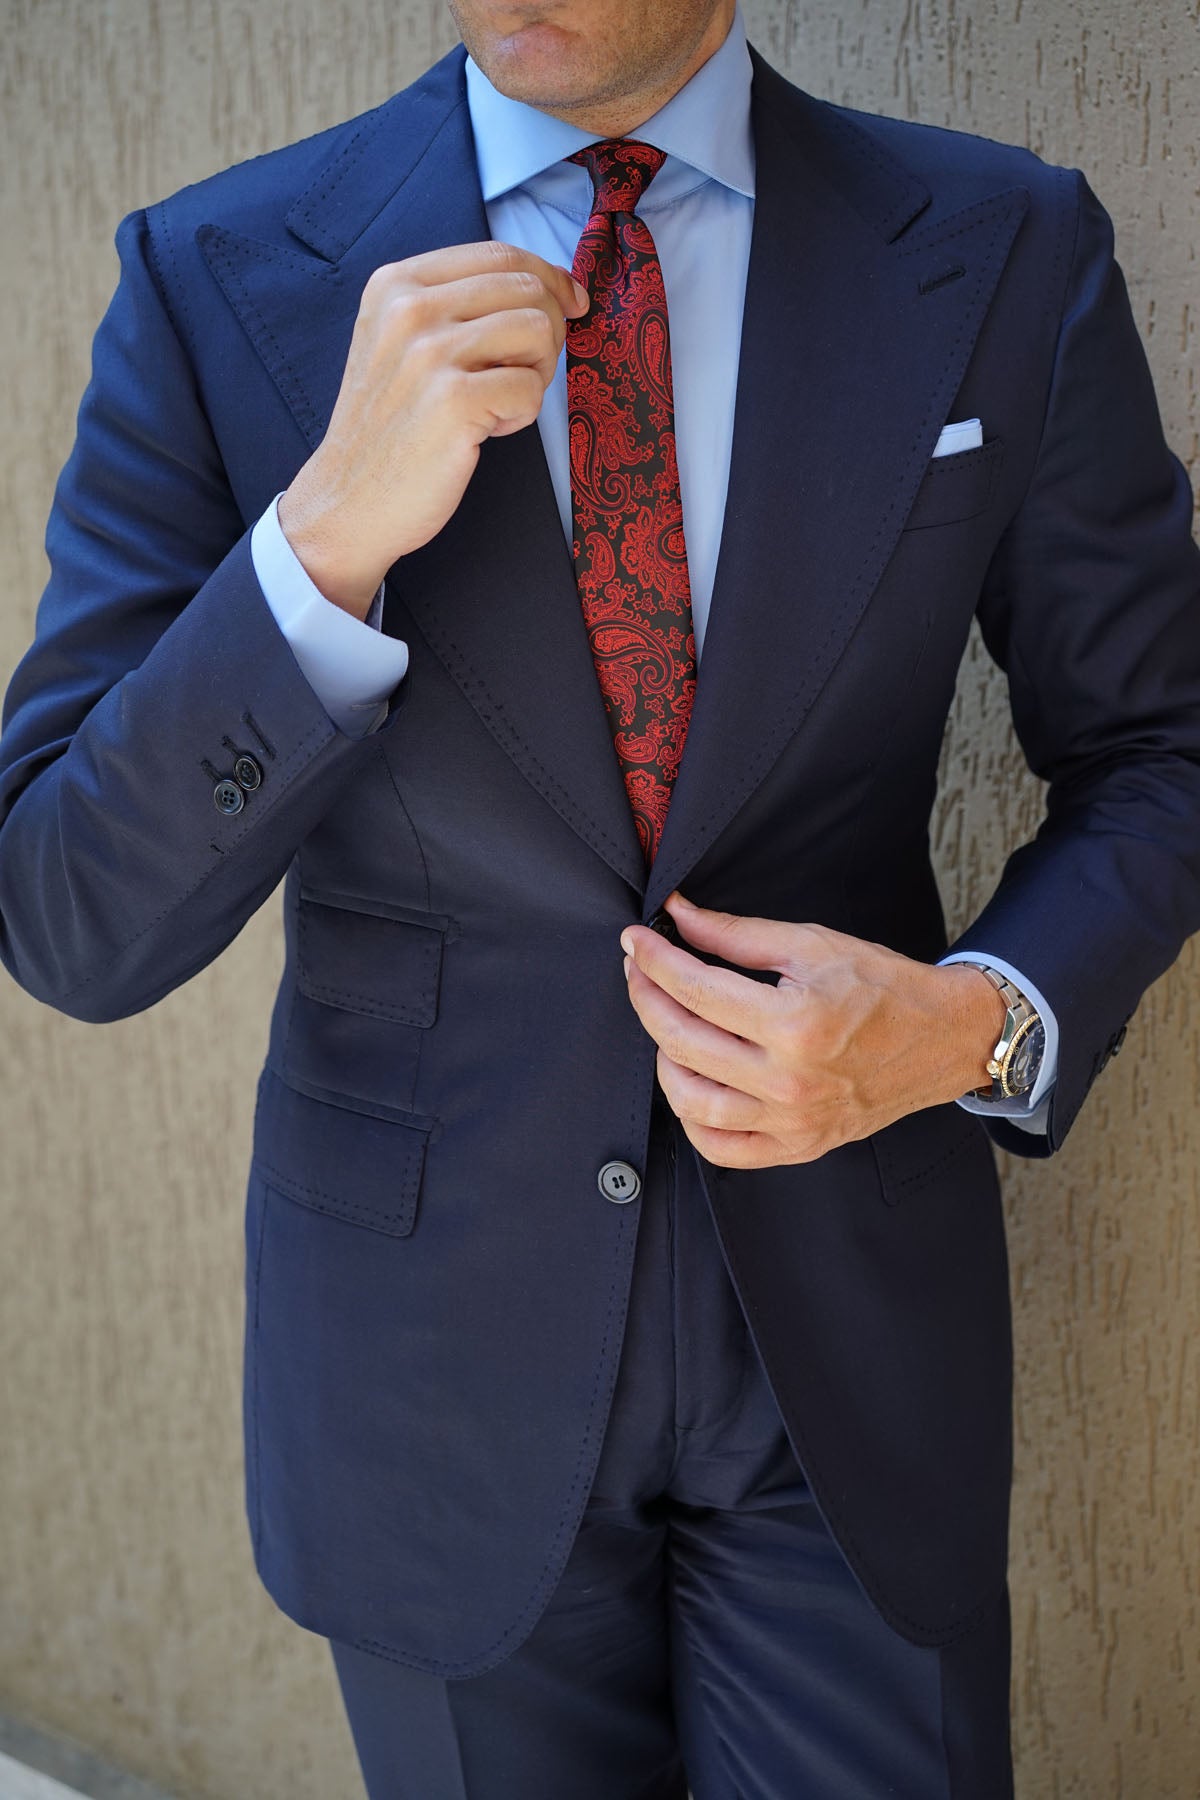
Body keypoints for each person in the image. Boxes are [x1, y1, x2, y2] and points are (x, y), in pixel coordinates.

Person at [2, 0, 1198, 1792]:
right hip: (429, 1382)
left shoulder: (1003, 245)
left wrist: (969, 1024)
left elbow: (1162, 747)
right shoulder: (219, 277)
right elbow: (70, 914)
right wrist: (319, 547)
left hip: (851, 1358)